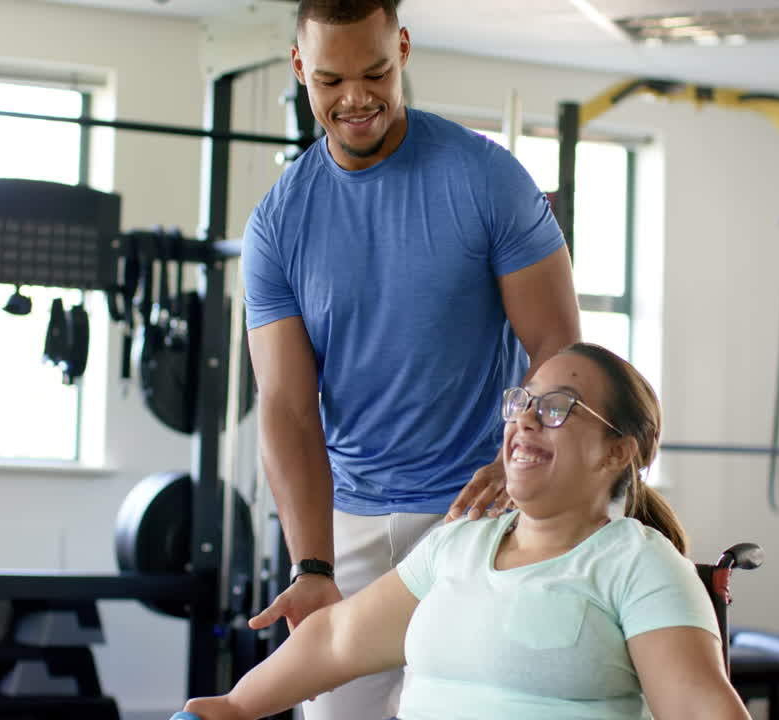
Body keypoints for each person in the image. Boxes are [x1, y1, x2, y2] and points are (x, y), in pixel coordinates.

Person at [242, 0, 581, 717]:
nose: (357, 99)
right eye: (331, 80)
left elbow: (559, 346)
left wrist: (521, 452)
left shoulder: (486, 179)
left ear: (402, 47)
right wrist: (311, 564)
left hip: (476, 514)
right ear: (300, 67)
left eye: (376, 72)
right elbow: (287, 406)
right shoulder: (278, 223)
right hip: (352, 524)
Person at [183, 343, 752, 720]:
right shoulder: (457, 545)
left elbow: (702, 712)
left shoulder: (638, 565)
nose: (526, 418)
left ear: (616, 453)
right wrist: (230, 707)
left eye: (558, 408)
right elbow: (336, 640)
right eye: (521, 402)